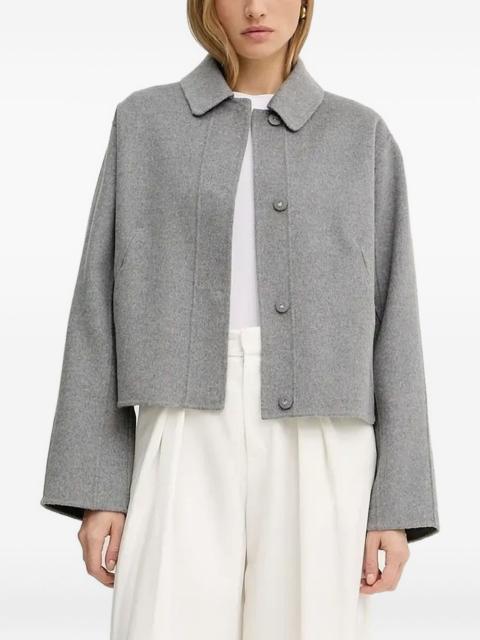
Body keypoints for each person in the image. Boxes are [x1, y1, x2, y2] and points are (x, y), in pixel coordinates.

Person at [40, 1, 440, 638]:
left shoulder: (359, 135)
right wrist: (98, 488)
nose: (255, 6)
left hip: (323, 434)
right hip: (180, 423)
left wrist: (396, 503)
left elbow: (398, 320)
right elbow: (96, 307)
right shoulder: (144, 124)